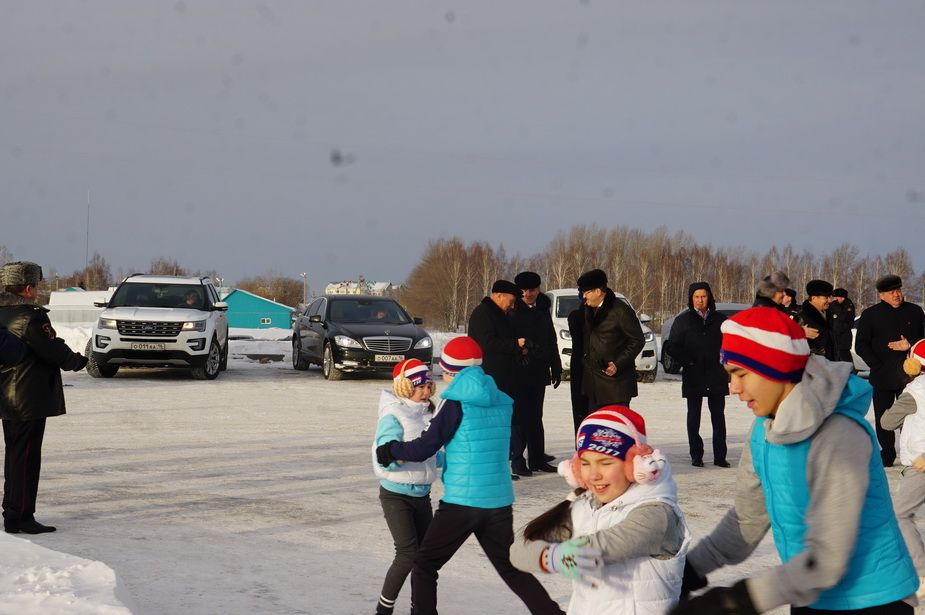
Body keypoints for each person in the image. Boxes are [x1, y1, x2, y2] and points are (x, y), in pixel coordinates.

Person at [672, 307, 918, 615]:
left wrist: (738, 600)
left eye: (740, 374)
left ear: (775, 367)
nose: (732, 389)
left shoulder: (840, 435)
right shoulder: (764, 430)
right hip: (808, 592)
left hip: (874, 600)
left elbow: (829, 558)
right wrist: (690, 572)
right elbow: (747, 521)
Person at [375, 337, 564, 615]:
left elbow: (426, 446)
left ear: (451, 370)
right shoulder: (501, 398)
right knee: (511, 568)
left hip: (462, 502)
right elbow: (514, 445)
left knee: (424, 564)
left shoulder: (454, 403)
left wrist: (391, 450)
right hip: (498, 501)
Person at [511, 406, 691, 614]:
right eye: (585, 464)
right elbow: (519, 549)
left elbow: (600, 548)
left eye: (605, 463)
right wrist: (551, 557)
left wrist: (560, 554)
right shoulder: (583, 507)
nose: (593, 476)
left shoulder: (656, 514)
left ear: (634, 466)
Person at [0, 261, 87, 534]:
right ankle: (21, 516)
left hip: (7, 395)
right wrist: (79, 361)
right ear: (27, 288)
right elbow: (52, 349)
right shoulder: (30, 317)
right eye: (35, 286)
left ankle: (13, 512)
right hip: (28, 398)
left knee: (15, 456)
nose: (36, 291)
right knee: (26, 458)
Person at [372, 359, 441, 615]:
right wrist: (401, 456)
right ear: (404, 387)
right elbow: (383, 453)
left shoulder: (429, 413)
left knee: (425, 558)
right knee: (407, 553)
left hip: (422, 495)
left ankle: (421, 608)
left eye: (429, 386)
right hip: (395, 495)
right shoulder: (393, 414)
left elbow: (433, 453)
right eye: (421, 386)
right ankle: (384, 609)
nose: (427, 392)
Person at [855, 274, 925, 467]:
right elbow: (861, 345)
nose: (896, 295)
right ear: (881, 295)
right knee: (883, 417)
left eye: (899, 290)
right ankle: (887, 454)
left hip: (910, 377)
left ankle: (909, 453)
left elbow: (923, 341)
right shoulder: (870, 314)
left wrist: (909, 344)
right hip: (882, 375)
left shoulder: (915, 311)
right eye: (891, 292)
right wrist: (876, 365)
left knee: (911, 416)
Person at [662, 282, 729, 468]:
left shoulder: (721, 320)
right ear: (691, 299)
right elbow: (671, 347)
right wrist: (687, 360)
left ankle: (720, 456)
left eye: (703, 296)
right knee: (694, 418)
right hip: (694, 374)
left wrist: (727, 363)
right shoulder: (683, 321)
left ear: (710, 298)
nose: (700, 300)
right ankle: (696, 455)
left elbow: (731, 344)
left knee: (718, 417)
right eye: (696, 297)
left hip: (716, 374)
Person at [467, 279, 527, 479]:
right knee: (492, 427)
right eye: (511, 300)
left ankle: (503, 464)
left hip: (505, 379)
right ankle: (492, 467)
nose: (513, 305)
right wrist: (514, 344)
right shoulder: (483, 314)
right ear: (499, 295)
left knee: (503, 426)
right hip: (491, 378)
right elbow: (488, 344)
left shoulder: (501, 314)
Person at [881, 340, 925, 600]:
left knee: (899, 515)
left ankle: (921, 572)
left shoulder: (916, 392)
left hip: (920, 463)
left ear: (912, 365)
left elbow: (887, 422)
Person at [510, 271, 561, 476]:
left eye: (531, 290)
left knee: (535, 415)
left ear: (538, 289)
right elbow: (510, 341)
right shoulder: (513, 310)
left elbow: (551, 339)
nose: (527, 294)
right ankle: (517, 459)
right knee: (519, 417)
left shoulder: (542, 308)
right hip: (519, 371)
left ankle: (537, 458)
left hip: (539, 370)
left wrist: (555, 366)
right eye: (523, 290)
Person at [576, 269, 644, 410]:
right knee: (597, 430)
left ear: (598, 291)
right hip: (593, 386)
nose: (583, 296)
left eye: (587, 292)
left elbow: (637, 340)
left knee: (615, 429)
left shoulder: (620, 311)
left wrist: (617, 364)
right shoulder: (587, 310)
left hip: (616, 386)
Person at [797, 279, 835, 360]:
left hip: (828, 365)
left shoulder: (828, 314)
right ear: (814, 298)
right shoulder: (802, 317)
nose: (829, 300)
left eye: (830, 297)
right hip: (812, 366)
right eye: (826, 297)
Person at [567, 303, 589, 433]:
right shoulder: (577, 316)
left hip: (595, 369)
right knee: (580, 408)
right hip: (580, 366)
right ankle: (582, 444)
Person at [828, 288, 856, 364]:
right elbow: (829, 317)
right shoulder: (833, 304)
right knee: (835, 355)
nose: (839, 299)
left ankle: (849, 371)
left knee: (844, 355)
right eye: (837, 297)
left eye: (841, 297)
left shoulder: (849, 305)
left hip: (844, 335)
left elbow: (846, 318)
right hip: (834, 334)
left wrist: (837, 315)